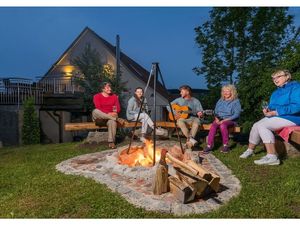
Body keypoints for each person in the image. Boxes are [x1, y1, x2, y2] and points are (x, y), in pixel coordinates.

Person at [240, 70, 300, 165]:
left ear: (287, 76)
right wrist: (267, 110)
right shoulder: (275, 92)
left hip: (292, 117)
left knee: (263, 126)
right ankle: (250, 150)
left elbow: (297, 106)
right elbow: (272, 106)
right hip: (278, 116)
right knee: (256, 125)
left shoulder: (296, 87)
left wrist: (276, 112)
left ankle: (272, 156)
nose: (275, 80)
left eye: (278, 77)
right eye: (273, 78)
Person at [202, 84, 242, 154]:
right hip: (219, 119)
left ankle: (225, 146)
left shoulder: (236, 101)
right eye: (224, 91)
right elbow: (215, 111)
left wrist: (224, 120)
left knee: (223, 125)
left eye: (228, 91)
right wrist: (216, 118)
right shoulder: (220, 100)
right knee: (213, 125)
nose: (225, 93)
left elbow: (236, 114)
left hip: (230, 120)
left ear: (232, 92)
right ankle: (209, 146)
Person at [92, 82, 127, 149]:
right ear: (103, 89)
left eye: (110, 87)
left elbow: (117, 108)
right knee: (95, 111)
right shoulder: (97, 96)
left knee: (112, 122)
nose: (110, 89)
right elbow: (98, 107)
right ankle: (116, 119)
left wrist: (115, 112)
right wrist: (109, 113)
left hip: (110, 118)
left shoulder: (114, 96)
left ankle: (111, 142)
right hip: (99, 118)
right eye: (107, 87)